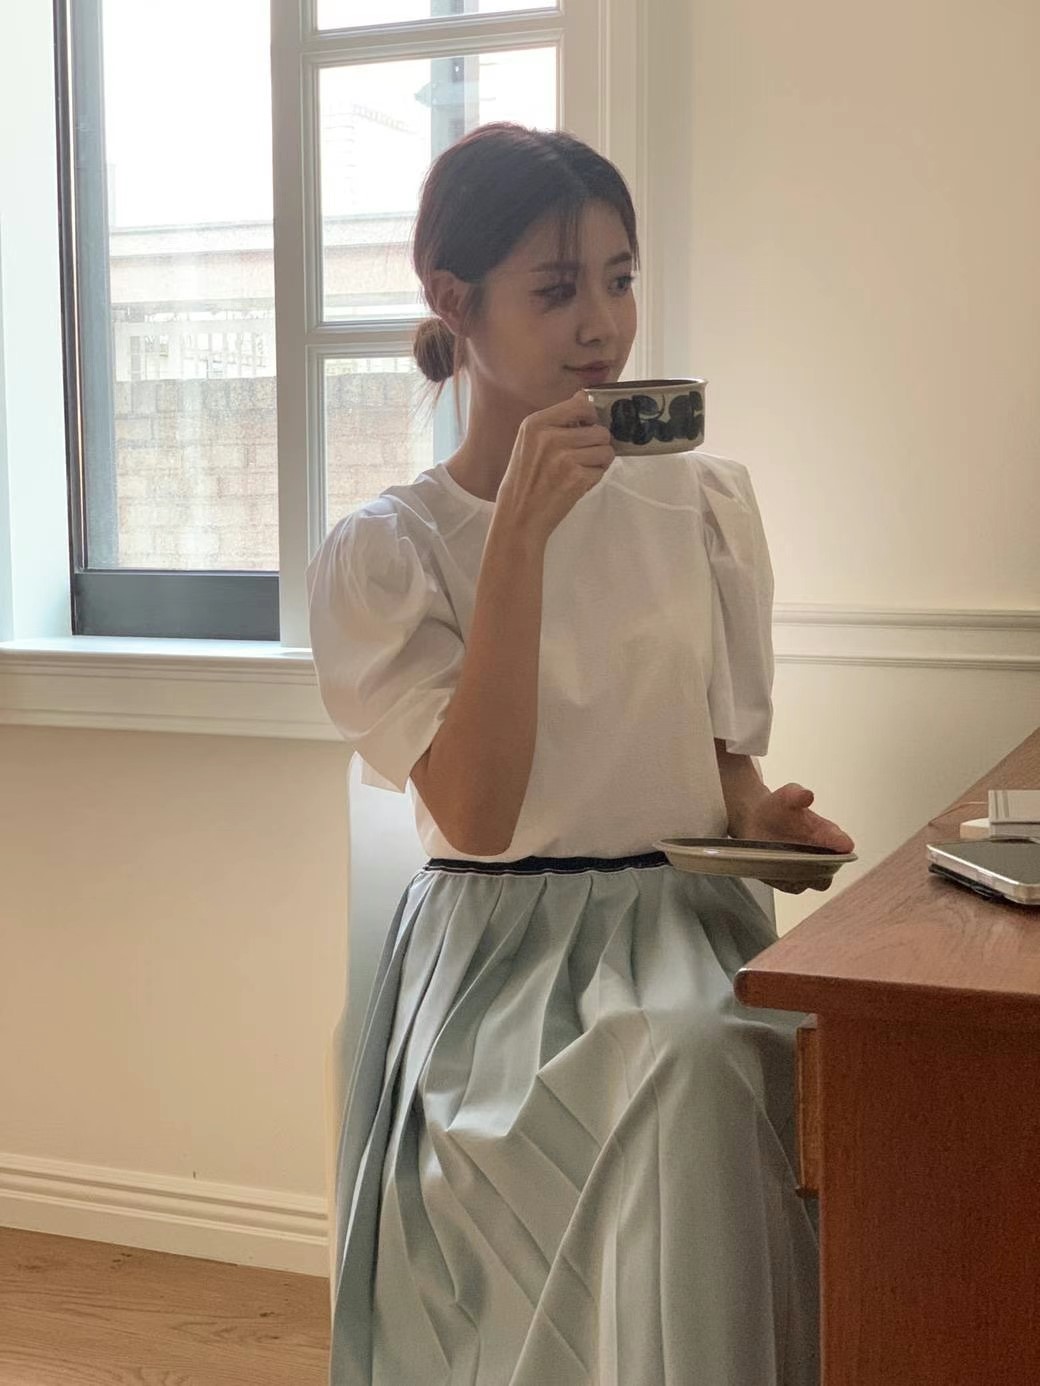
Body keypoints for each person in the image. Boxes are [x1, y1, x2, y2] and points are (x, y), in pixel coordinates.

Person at [307, 121, 855, 1386]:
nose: (600, 325)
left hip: (682, 927)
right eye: (555, 289)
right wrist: (517, 539)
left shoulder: (696, 501)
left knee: (726, 1056)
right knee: (688, 1072)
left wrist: (754, 815)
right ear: (454, 301)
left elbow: (708, 761)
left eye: (618, 279)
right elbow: (478, 813)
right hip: (503, 968)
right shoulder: (393, 550)